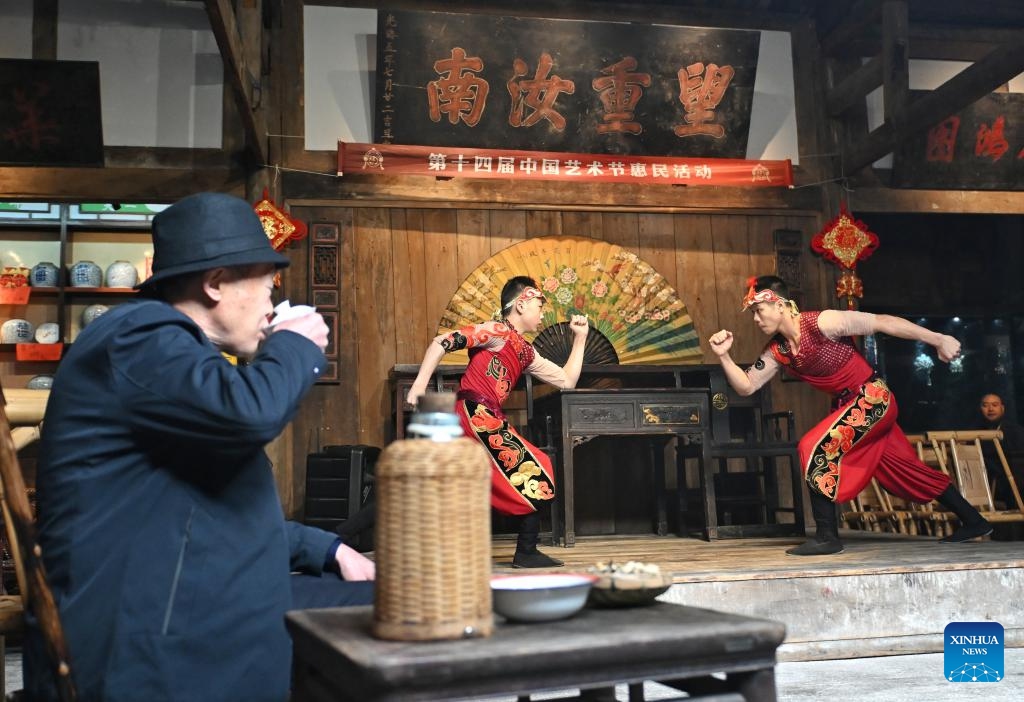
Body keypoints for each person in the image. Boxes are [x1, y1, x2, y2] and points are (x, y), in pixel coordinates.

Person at [26, 192, 375, 702]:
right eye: (265, 284)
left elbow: (202, 511)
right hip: (146, 632)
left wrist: (324, 546)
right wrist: (297, 344)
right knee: (393, 623)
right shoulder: (139, 335)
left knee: (392, 599)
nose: (272, 304)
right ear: (216, 283)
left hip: (187, 592)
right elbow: (248, 414)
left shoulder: (170, 355)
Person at [708, 275, 992, 556]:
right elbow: (747, 386)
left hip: (872, 398)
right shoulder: (778, 349)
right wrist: (723, 356)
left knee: (813, 446)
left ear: (780, 305)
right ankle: (974, 521)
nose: (756, 319)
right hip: (850, 406)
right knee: (904, 472)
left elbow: (882, 322)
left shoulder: (822, 323)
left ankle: (827, 537)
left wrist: (938, 338)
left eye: (759, 311)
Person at [406, 276, 589, 568]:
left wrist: (580, 338)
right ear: (521, 303)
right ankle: (526, 551)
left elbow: (567, 380)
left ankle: (526, 550)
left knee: (428, 481)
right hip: (473, 413)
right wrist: (419, 386)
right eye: (539, 305)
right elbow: (442, 342)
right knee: (537, 466)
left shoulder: (526, 351)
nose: (542, 314)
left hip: (486, 418)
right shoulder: (495, 331)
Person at [977, 392, 1024, 509]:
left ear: (1002, 408)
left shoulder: (1016, 432)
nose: (990, 409)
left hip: (1015, 484)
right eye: (985, 405)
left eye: (995, 405)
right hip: (987, 484)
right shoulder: (973, 432)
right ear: (980, 408)